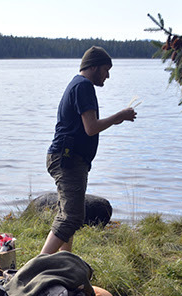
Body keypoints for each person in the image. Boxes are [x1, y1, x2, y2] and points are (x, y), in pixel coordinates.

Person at [40, 46, 137, 254]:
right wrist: (119, 116)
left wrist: (116, 119)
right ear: (93, 67)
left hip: (65, 157)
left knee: (67, 215)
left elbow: (87, 126)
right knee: (72, 217)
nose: (107, 76)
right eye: (106, 70)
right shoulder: (84, 86)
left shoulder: (78, 84)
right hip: (68, 159)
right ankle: (36, 266)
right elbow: (91, 128)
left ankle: (63, 263)